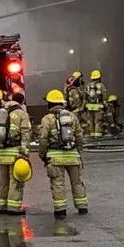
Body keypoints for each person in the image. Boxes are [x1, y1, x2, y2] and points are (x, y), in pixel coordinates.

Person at [37, 89, 88, 217]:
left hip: (55, 157)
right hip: (72, 155)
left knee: (58, 183)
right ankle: (82, 207)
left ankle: (61, 211)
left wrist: (42, 155)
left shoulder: (47, 119)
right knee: (77, 182)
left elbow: (43, 139)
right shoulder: (72, 116)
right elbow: (79, 135)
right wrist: (79, 151)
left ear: (49, 103)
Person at [0, 91, 32, 215]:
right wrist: (25, 152)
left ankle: (1, 205)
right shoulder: (22, 114)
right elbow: (26, 133)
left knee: (2, 180)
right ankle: (14, 207)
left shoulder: (0, 113)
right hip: (15, 152)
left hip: (1, 152)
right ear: (21, 102)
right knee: (15, 180)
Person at [84, 70, 107, 138]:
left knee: (91, 121)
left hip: (89, 106)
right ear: (99, 77)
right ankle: (97, 136)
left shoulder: (87, 86)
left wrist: (84, 106)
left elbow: (85, 96)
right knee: (97, 121)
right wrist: (105, 105)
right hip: (98, 106)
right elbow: (104, 96)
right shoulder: (101, 85)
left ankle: (91, 135)